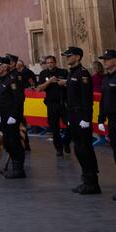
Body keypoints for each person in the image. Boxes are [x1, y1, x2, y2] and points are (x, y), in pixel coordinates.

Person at [59, 46, 100, 195]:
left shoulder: (82, 74)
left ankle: (92, 182)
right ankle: (86, 180)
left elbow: (86, 98)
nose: (67, 58)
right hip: (73, 114)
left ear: (77, 57)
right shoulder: (72, 73)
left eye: (69, 56)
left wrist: (85, 118)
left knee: (85, 148)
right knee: (78, 149)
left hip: (81, 115)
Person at [35, 55, 69, 157]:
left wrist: (64, 83)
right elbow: (39, 89)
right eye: (48, 63)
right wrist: (49, 81)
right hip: (51, 104)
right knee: (54, 128)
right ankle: (59, 149)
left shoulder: (63, 72)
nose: (50, 64)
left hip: (63, 103)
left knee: (70, 124)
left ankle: (66, 141)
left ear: (55, 63)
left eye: (51, 62)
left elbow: (71, 84)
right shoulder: (43, 73)